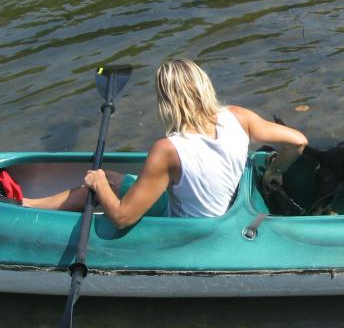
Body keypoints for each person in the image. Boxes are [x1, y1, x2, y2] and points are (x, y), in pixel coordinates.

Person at [21, 59, 307, 228]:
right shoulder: (238, 116)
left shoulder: (168, 150)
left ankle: (22, 209)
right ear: (204, 85)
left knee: (98, 184)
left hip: (186, 226)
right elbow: (298, 141)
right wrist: (275, 171)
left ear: (166, 101)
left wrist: (98, 185)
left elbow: (122, 218)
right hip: (224, 210)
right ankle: (26, 203)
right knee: (108, 178)